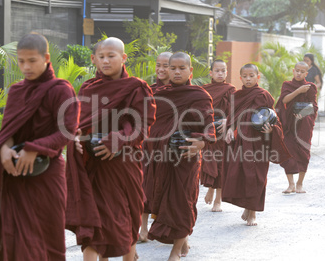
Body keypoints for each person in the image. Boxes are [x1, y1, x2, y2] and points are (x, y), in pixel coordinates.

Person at [66, 37, 156, 261]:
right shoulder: (88, 87)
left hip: (124, 162)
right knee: (93, 220)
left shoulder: (136, 87)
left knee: (127, 214)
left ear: (123, 57)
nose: (105, 61)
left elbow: (143, 124)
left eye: (111, 56)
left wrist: (119, 140)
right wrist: (76, 138)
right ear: (93, 59)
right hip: (93, 162)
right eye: (101, 57)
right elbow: (79, 121)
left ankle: (129, 257)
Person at [0, 32, 80, 260]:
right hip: (15, 175)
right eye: (21, 61)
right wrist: (3, 147)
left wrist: (34, 148)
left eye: (32, 61)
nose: (25, 67)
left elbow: (67, 130)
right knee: (14, 238)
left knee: (47, 239)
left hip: (46, 175)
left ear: (46, 57)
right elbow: (8, 130)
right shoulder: (16, 91)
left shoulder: (61, 89)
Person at [146, 52, 216, 261]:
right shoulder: (158, 95)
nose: (176, 72)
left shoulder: (200, 95)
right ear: (166, 70)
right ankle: (182, 239)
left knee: (183, 200)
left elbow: (209, 124)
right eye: (172, 68)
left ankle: (175, 251)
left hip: (187, 156)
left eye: (181, 68)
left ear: (190, 71)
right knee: (163, 200)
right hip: (161, 158)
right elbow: (151, 122)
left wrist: (203, 142)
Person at [223, 63, 290, 226]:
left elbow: (273, 117)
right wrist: (229, 129)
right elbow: (233, 117)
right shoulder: (238, 96)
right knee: (242, 175)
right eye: (245, 76)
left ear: (257, 77)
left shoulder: (263, 95)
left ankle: (253, 213)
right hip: (241, 142)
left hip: (259, 142)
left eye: (251, 76)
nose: (248, 79)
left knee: (257, 177)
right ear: (240, 78)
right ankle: (248, 206)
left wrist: (271, 130)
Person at [139, 51, 173, 242]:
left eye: (165, 65)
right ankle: (143, 230)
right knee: (145, 185)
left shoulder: (183, 92)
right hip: (148, 143)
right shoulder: (150, 90)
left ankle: (175, 231)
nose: (160, 69)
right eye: (158, 65)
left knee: (169, 187)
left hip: (169, 145)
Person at [275, 61, 318, 194]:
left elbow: (314, 106)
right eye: (297, 70)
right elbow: (284, 100)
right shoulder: (287, 85)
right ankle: (291, 184)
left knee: (303, 154)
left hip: (304, 124)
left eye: (302, 71)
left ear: (306, 73)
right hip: (288, 124)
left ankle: (299, 184)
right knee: (287, 152)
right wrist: (298, 91)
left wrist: (303, 115)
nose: (299, 73)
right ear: (293, 71)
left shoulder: (311, 87)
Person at [201, 59, 236, 212]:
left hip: (222, 129)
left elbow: (236, 110)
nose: (220, 73)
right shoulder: (204, 89)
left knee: (221, 164)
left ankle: (218, 199)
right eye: (217, 71)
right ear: (211, 73)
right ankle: (210, 188)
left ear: (227, 73)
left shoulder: (230, 90)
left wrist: (228, 122)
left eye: (223, 71)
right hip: (208, 129)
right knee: (208, 161)